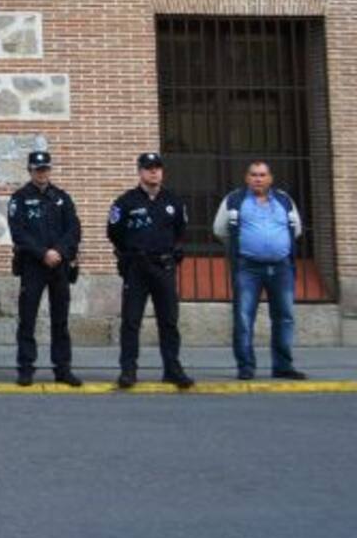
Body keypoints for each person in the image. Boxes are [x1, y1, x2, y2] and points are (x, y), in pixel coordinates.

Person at [213, 160, 306, 381]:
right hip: (248, 268)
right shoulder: (235, 200)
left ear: (270, 178)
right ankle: (246, 366)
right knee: (244, 317)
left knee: (284, 317)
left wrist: (276, 246)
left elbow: (297, 229)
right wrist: (245, 246)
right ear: (247, 178)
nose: (258, 179)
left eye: (263, 175)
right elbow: (220, 230)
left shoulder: (284, 200)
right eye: (254, 175)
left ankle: (282, 365)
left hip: (281, 267)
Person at [108, 152, 194, 389]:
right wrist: (129, 254)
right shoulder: (126, 202)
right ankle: (128, 370)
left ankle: (172, 369)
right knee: (131, 321)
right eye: (148, 168)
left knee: (168, 321)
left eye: (157, 167)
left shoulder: (173, 201)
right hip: (136, 267)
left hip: (163, 266)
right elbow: (114, 232)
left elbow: (180, 230)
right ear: (140, 172)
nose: (154, 172)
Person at [9, 150, 83, 388]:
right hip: (33, 266)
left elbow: (74, 229)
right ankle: (26, 368)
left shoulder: (61, 197)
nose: (42, 173)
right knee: (27, 319)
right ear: (30, 171)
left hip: (59, 266)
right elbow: (18, 233)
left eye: (45, 169)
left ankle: (63, 369)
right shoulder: (19, 198)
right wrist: (43, 253)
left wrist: (59, 251)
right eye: (37, 169)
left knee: (60, 320)